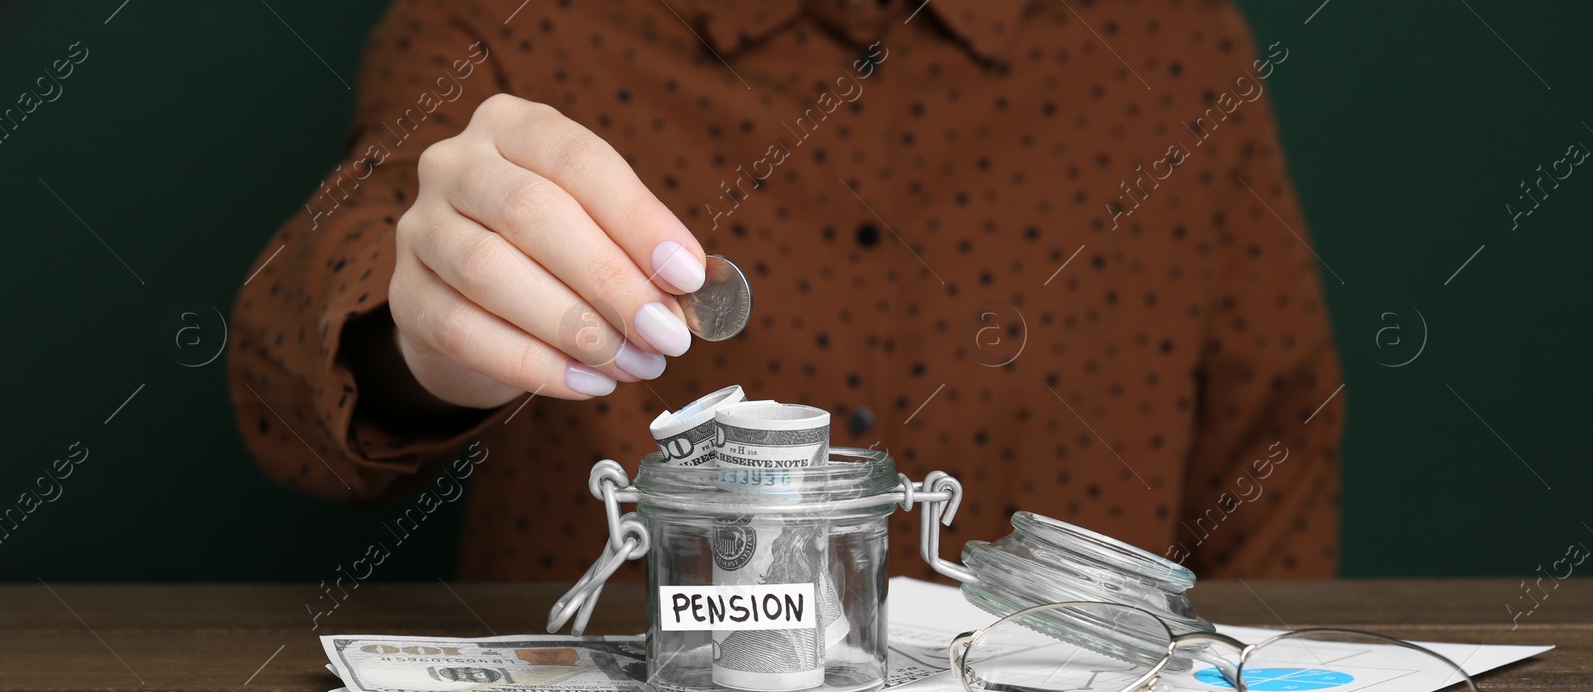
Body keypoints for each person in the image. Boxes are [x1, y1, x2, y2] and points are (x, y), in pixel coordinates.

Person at [230, 0, 1342, 583]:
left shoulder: (1175, 41)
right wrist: (417, 344)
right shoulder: (520, 18)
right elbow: (286, 389)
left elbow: (1272, 469)